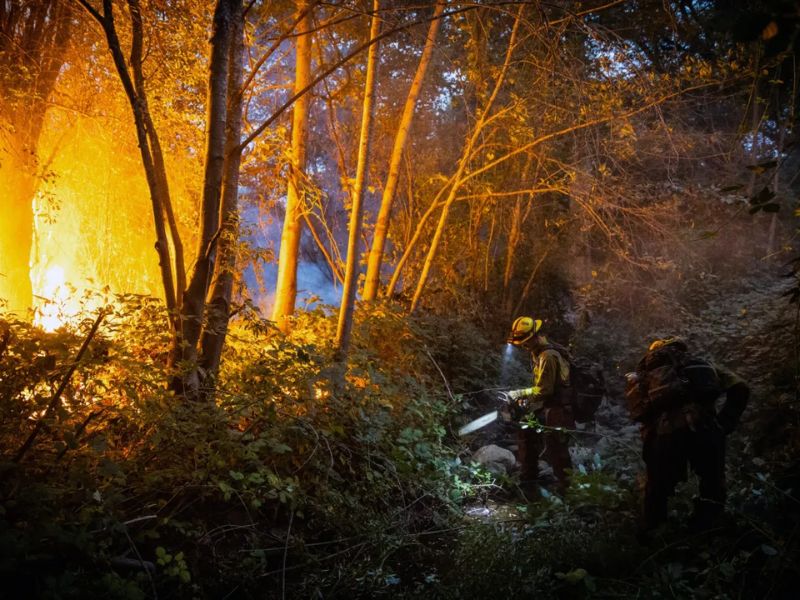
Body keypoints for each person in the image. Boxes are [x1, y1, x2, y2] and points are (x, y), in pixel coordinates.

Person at [628, 337, 749, 535]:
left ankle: (654, 537)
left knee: (656, 490)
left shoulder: (647, 374)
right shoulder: (702, 365)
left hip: (664, 437)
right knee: (712, 484)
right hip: (704, 431)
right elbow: (741, 387)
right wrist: (725, 423)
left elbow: (640, 411)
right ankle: (705, 532)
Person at [504, 316, 575, 494]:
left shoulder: (548, 356)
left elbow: (544, 390)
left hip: (558, 407)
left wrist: (520, 393)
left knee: (556, 448)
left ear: (536, 336)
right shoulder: (538, 353)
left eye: (526, 342)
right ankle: (528, 479)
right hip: (546, 405)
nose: (524, 346)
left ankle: (568, 490)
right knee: (526, 432)